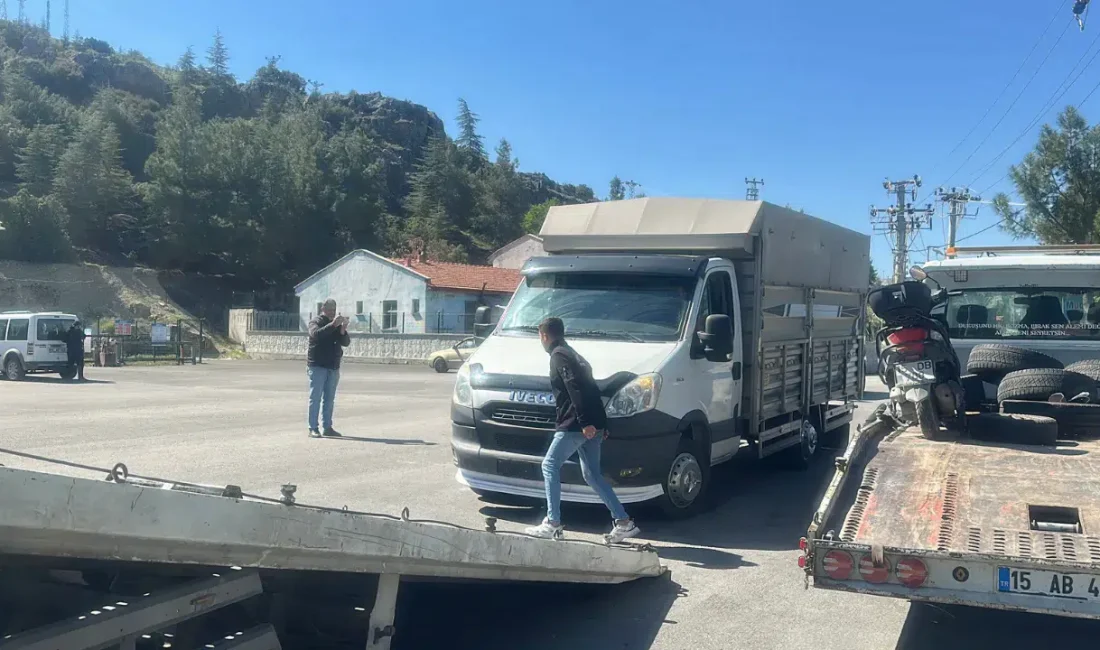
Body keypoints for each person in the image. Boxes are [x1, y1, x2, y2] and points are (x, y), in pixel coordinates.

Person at [524, 317, 640, 543]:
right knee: (592, 474)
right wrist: (602, 423)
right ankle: (624, 522)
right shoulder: (575, 356)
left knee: (549, 465)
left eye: (540, 337)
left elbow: (575, 388)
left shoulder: (559, 356)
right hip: (592, 423)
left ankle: (553, 524)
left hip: (575, 424)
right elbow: (592, 388)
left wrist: (586, 422)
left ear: (545, 336)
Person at [307, 299, 351, 438]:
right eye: (330, 309)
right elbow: (316, 335)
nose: (332, 312)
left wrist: (343, 328)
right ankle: (313, 427)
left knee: (329, 399)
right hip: (318, 365)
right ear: (323, 309)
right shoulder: (315, 322)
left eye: (334, 309)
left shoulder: (335, 325)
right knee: (315, 398)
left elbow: (345, 342)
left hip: (333, 366)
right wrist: (333, 324)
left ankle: (328, 427)